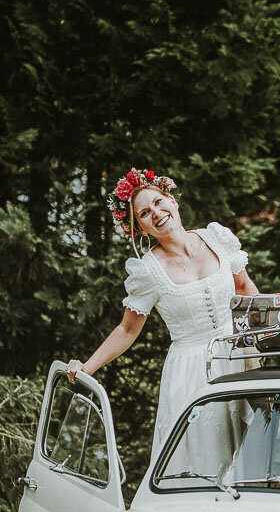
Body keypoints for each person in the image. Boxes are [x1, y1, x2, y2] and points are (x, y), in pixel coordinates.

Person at [66, 168, 259, 456]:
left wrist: (267, 342)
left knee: (254, 448)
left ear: (173, 201)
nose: (155, 213)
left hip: (239, 355)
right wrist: (87, 367)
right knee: (207, 457)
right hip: (192, 373)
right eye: (144, 213)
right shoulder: (147, 271)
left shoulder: (217, 238)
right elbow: (128, 329)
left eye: (158, 202)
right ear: (140, 229)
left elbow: (246, 289)